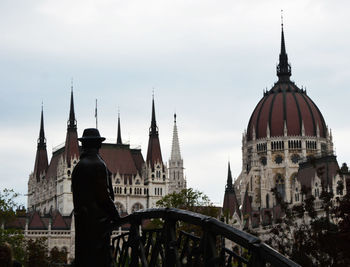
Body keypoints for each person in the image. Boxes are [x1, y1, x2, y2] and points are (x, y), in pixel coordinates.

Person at [72, 128, 120, 267]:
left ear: (84, 145)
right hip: (97, 225)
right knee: (99, 260)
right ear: (98, 145)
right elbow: (104, 197)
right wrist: (117, 217)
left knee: (85, 258)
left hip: (82, 224)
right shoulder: (97, 164)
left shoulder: (78, 167)